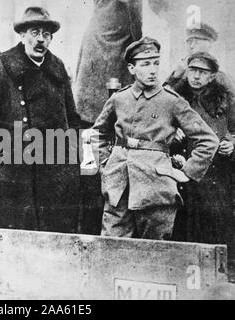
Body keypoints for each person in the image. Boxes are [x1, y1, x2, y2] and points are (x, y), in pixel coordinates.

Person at [92, 37, 219, 240]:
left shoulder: (172, 101)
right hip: (118, 187)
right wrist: (105, 165)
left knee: (154, 255)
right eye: (145, 64)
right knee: (111, 249)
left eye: (156, 63)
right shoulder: (119, 98)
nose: (153, 70)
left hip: (156, 188)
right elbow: (97, 132)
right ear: (132, 69)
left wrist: (187, 172)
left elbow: (209, 140)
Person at [0, 7, 81, 233]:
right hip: (13, 182)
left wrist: (69, 165)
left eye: (46, 34)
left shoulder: (57, 70)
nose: (41, 39)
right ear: (22, 35)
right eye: (35, 32)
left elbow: (72, 120)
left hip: (54, 181)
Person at [74, 0, 142, 235]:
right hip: (100, 117)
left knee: (92, 176)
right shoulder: (125, 16)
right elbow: (137, 35)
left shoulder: (97, 21)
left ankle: (91, 233)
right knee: (102, 180)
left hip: (89, 113)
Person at [170, 52, 235, 281]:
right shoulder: (174, 95)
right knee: (184, 224)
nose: (196, 76)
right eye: (192, 70)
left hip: (217, 173)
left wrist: (232, 143)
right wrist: (171, 132)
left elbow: (234, 130)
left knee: (217, 221)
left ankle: (220, 274)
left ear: (212, 76)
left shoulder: (225, 99)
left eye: (202, 72)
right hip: (183, 168)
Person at [165, 22, 235, 96]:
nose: (191, 46)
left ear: (209, 46)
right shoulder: (180, 72)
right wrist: (175, 77)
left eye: (197, 43)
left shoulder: (221, 78)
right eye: (189, 42)